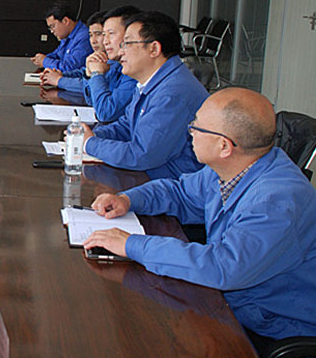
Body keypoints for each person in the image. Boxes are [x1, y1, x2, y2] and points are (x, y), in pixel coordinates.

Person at [84, 88, 316, 346]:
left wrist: (131, 245)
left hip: (271, 326)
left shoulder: (276, 201)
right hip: (235, 303)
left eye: (196, 126)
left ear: (224, 146)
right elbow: (180, 193)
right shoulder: (235, 166)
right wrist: (128, 199)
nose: (190, 132)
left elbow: (224, 266)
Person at [79, 11, 209, 179]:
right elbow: (127, 126)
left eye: (127, 44)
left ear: (154, 48)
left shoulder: (173, 93)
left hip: (170, 184)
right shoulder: (152, 81)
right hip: (150, 175)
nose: (121, 51)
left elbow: (142, 155)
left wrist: (90, 144)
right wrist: (92, 135)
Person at [42, 6, 140, 122]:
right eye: (104, 35)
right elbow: (91, 98)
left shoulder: (133, 72)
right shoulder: (115, 63)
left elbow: (105, 112)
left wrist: (95, 74)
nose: (104, 41)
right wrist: (86, 75)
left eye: (110, 34)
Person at [30, 2, 92, 72]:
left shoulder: (84, 37)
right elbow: (58, 55)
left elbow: (69, 68)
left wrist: (45, 61)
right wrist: (42, 59)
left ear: (65, 21)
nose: (52, 31)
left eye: (53, 26)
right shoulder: (66, 35)